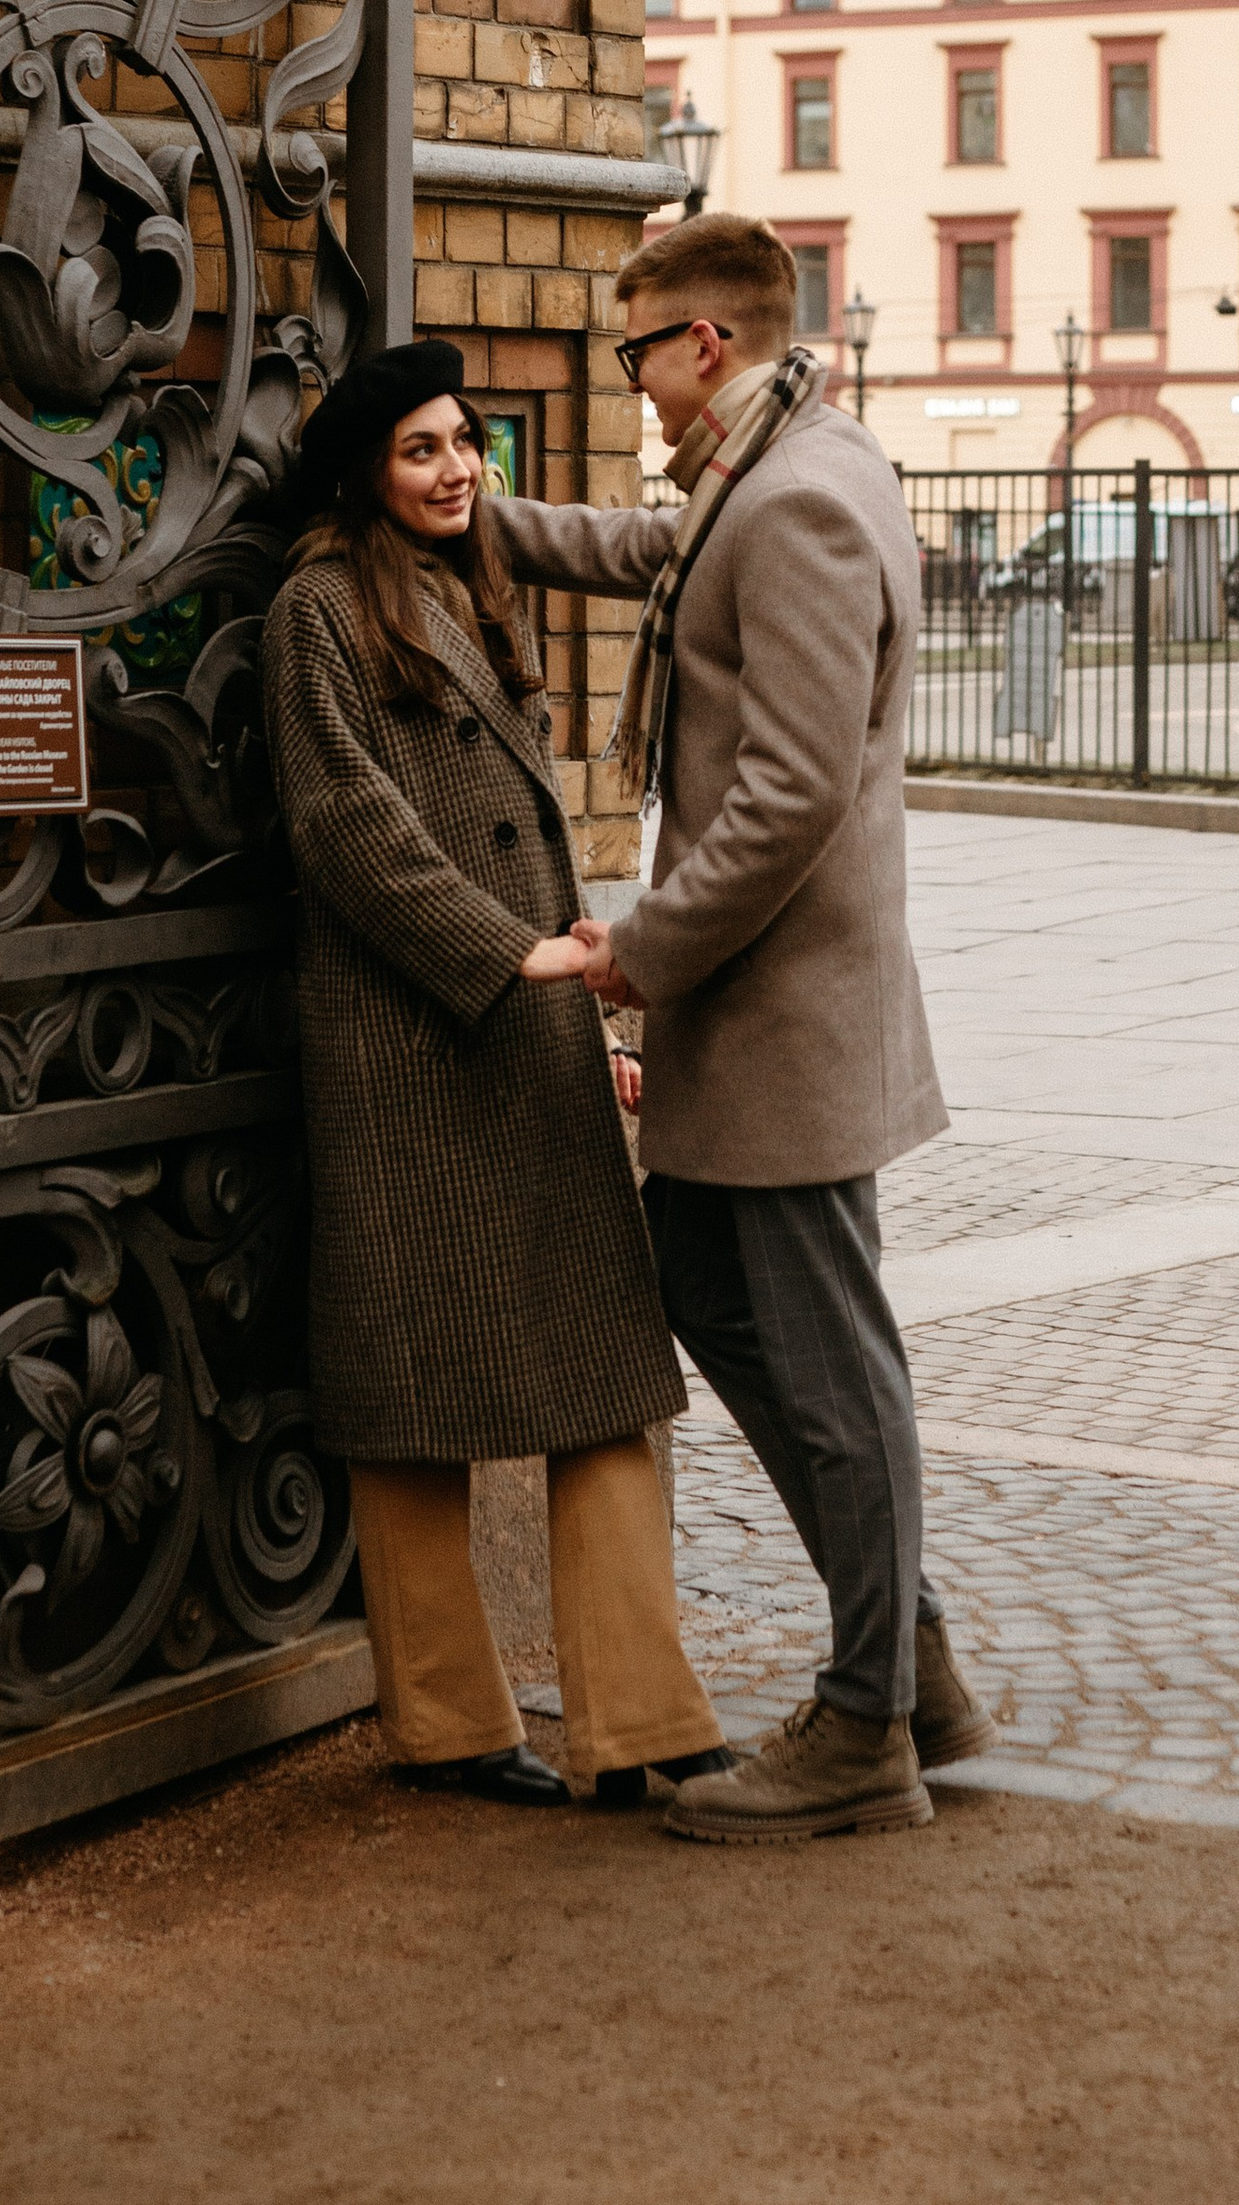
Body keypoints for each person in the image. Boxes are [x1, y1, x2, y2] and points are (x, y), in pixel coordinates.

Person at [492, 214, 989, 1843]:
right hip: (768, 1009)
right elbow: (652, 554)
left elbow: (787, 798)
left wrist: (641, 954)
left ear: (705, 342)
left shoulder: (799, 508)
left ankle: (865, 1732)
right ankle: (907, 1658)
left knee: (833, 1361)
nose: (625, 383)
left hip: (777, 1008)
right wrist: (457, 509)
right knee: (713, 1286)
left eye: (634, 352)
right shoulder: (773, 468)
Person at [261, 335, 732, 1811]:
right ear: (364, 473)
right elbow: (344, 822)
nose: (459, 469)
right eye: (422, 450)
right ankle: (450, 1724)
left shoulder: (466, 586)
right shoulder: (314, 612)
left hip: (528, 1034)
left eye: (467, 443)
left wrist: (584, 1013)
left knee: (606, 1376)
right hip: (408, 1047)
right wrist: (506, 953)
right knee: (416, 1399)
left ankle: (641, 1721)